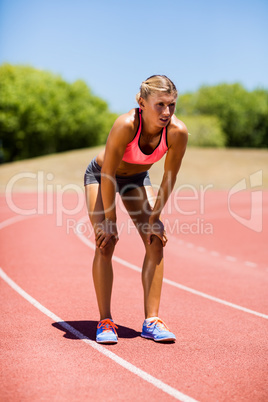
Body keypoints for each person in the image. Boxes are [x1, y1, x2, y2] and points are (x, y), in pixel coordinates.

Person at [84, 75, 188, 344]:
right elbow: (107, 173)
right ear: (142, 102)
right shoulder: (126, 124)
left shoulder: (177, 132)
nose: (167, 112)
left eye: (172, 105)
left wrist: (155, 218)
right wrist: (109, 219)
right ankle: (105, 321)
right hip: (101, 176)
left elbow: (168, 178)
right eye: (160, 105)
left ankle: (152, 321)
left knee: (155, 240)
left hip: (137, 180)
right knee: (106, 242)